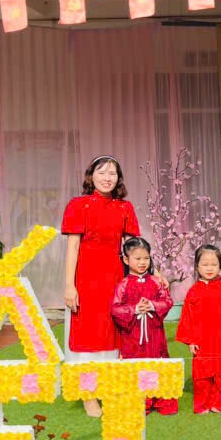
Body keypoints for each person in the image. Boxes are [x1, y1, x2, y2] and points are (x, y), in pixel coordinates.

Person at [62, 156, 141, 418]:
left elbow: (134, 248)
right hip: (85, 279)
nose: (107, 178)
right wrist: (69, 285)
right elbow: (73, 247)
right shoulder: (78, 205)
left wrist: (154, 273)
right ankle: (88, 395)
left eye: (112, 173)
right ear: (91, 176)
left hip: (115, 279)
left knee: (112, 332)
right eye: (102, 172)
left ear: (119, 179)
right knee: (87, 334)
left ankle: (109, 388)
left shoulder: (124, 207)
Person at [175, 245, 221, 414]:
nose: (209, 268)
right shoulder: (193, 291)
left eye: (214, 264)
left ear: (220, 266)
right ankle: (203, 404)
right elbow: (187, 317)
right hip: (201, 340)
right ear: (197, 267)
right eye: (205, 264)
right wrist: (190, 341)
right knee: (202, 375)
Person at [109, 236, 175, 415]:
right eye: (137, 258)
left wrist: (152, 305)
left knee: (157, 361)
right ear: (126, 260)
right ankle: (140, 401)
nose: (142, 262)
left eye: (146, 258)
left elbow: (167, 301)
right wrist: (135, 309)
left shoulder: (156, 281)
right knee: (136, 364)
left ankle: (160, 400)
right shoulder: (123, 284)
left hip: (155, 333)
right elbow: (115, 308)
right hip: (133, 334)